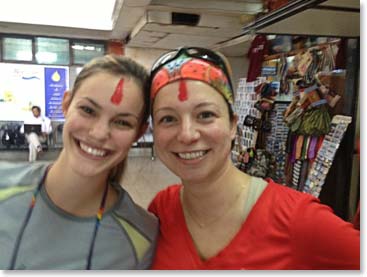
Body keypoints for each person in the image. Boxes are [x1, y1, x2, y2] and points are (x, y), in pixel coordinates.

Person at [147, 47, 360, 270]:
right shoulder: (162, 210)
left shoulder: (296, 219)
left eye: (205, 115)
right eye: (168, 118)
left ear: (232, 125)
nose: (187, 134)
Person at [0, 54, 158, 269]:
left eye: (122, 122)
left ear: (139, 133)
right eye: (88, 110)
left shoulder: (142, 236)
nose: (99, 133)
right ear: (66, 104)